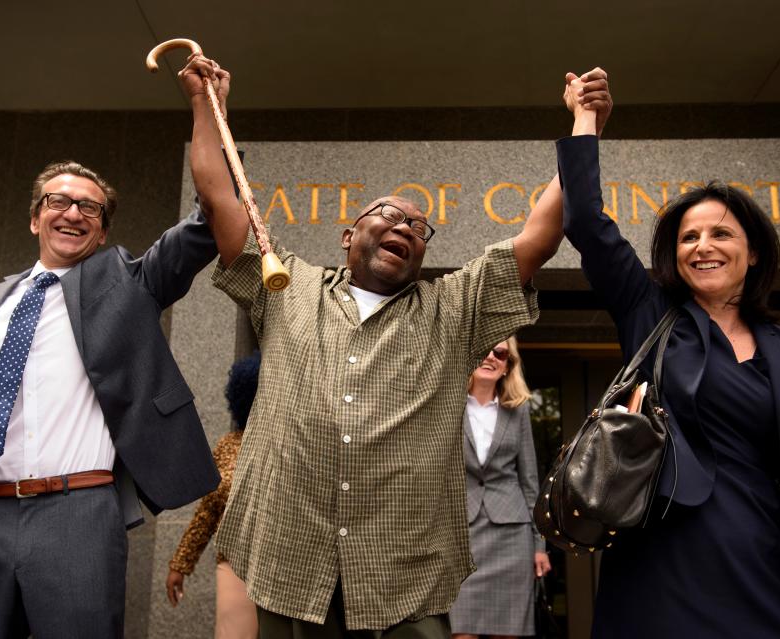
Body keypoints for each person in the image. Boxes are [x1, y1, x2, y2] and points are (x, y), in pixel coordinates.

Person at [185, 54, 612, 636]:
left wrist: (585, 124)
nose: (406, 227)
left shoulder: (454, 308)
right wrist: (207, 107)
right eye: (387, 214)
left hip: (403, 580)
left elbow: (542, 230)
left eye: (419, 227)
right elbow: (218, 198)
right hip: (290, 565)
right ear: (347, 236)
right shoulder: (286, 285)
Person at [0, 57, 239, 638]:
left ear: (103, 232)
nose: (73, 212)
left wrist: (209, 111)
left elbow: (209, 218)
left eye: (90, 208)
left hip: (77, 512)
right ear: (36, 219)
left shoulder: (129, 285)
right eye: (59, 201)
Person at [557, 70, 780, 638]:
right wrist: (585, 120)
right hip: (660, 565)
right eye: (689, 237)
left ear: (751, 251)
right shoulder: (650, 312)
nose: (703, 247)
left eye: (721, 234)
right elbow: (587, 225)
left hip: (765, 565)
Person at [450, 336, 550, 639]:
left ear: (508, 366)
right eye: (483, 350)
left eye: (500, 353)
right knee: (461, 631)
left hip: (511, 539)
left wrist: (540, 546)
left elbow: (529, 481)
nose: (490, 357)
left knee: (508, 632)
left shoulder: (517, 410)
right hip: (462, 538)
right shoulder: (449, 407)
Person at [165, 351, 261, 639]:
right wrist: (180, 564)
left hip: (288, 565)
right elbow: (206, 513)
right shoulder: (227, 445)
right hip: (234, 563)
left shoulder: (298, 443)